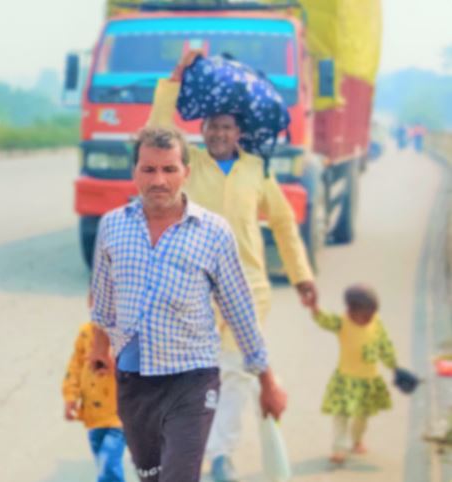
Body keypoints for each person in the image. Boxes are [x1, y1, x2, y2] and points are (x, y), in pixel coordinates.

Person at [146, 50, 316, 482]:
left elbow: (283, 224)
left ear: (238, 132)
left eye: (227, 127)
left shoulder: (257, 171)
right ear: (202, 130)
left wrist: (301, 276)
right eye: (213, 126)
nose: (220, 133)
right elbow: (156, 132)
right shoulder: (186, 166)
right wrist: (175, 77)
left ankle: (221, 456)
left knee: (237, 375)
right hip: (192, 290)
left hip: (248, 289)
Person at [89, 126, 287, 482]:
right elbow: (103, 304)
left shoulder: (213, 232)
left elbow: (240, 311)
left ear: (186, 173)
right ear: (134, 172)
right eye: (149, 169)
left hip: (193, 380)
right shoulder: (112, 227)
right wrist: (98, 349)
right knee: (151, 476)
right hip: (135, 382)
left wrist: (267, 381)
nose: (159, 180)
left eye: (169, 169)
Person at [302, 283, 397, 464]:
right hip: (345, 380)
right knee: (341, 415)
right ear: (350, 311)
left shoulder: (376, 323)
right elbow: (324, 320)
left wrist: (394, 367)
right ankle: (339, 448)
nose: (368, 318)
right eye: (364, 315)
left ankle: (357, 440)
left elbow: (385, 346)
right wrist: (314, 307)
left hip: (368, 381)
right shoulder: (342, 322)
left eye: (371, 315)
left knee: (362, 417)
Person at [62, 307, 125, 482]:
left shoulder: (124, 334)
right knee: (103, 463)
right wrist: (70, 397)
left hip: (118, 416)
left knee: (108, 462)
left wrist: (112, 364)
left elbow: (135, 373)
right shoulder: (85, 332)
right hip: (93, 415)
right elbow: (75, 367)